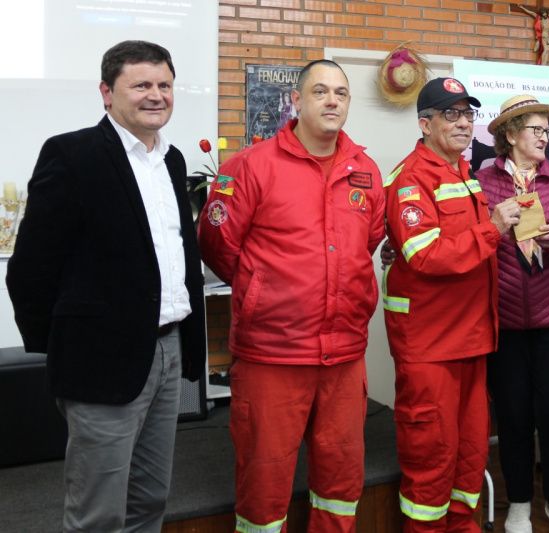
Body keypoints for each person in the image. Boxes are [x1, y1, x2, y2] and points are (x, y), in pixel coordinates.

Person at [6, 40, 206, 532]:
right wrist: (61, 347)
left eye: (164, 85)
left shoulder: (173, 160)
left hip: (168, 350)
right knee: (98, 512)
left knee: (150, 500)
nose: (155, 95)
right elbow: (30, 269)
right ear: (106, 92)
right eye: (141, 85)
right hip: (99, 359)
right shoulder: (73, 155)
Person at [197, 59, 385, 533]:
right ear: (296, 101)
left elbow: (368, 242)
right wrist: (266, 287)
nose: (332, 101)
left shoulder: (365, 170)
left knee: (341, 485)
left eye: (341, 93)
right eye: (320, 91)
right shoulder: (250, 166)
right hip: (272, 356)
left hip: (343, 356)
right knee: (264, 485)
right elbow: (218, 246)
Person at [382, 77, 519, 532]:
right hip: (430, 345)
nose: (463, 123)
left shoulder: (463, 172)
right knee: (431, 458)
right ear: (425, 124)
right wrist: (494, 228)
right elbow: (425, 255)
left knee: (470, 453)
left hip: (471, 338)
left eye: (468, 114)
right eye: (451, 114)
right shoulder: (409, 179)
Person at [476, 95, 549, 533]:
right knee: (514, 415)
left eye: (547, 130)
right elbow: (472, 241)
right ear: (510, 135)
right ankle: (520, 502)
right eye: (536, 130)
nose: (545, 137)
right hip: (503, 323)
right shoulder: (482, 182)